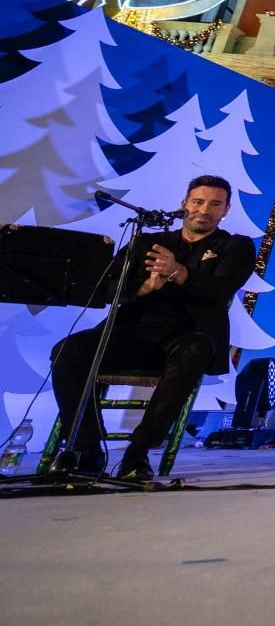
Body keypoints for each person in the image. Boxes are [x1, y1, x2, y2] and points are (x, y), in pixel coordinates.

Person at [49, 175, 255, 481]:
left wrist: (178, 272)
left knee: (194, 348)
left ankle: (138, 451)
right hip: (132, 332)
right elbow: (105, 289)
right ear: (184, 203)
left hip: (187, 336)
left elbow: (218, 291)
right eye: (198, 202)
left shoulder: (235, 246)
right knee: (68, 350)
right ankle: (86, 446)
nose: (204, 210)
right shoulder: (148, 242)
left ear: (225, 209)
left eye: (215, 204)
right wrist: (145, 286)